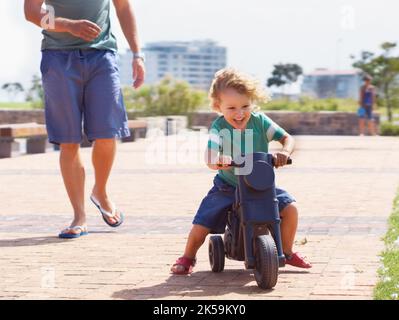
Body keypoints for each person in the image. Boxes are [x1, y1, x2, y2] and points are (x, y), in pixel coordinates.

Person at [171, 69, 312, 274]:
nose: (240, 113)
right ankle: (188, 257)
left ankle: (287, 251)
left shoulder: (260, 122)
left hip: (260, 185)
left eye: (245, 106)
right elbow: (209, 156)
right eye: (232, 108)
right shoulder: (219, 128)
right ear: (218, 106)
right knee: (203, 221)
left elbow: (287, 138)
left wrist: (283, 151)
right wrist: (219, 161)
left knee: (290, 208)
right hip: (228, 186)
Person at [24, 0, 145, 238]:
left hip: (102, 56)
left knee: (108, 132)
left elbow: (123, 7)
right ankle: (79, 216)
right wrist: (68, 25)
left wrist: (137, 54)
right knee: (68, 141)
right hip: (57, 58)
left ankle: (100, 191)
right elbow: (31, 12)